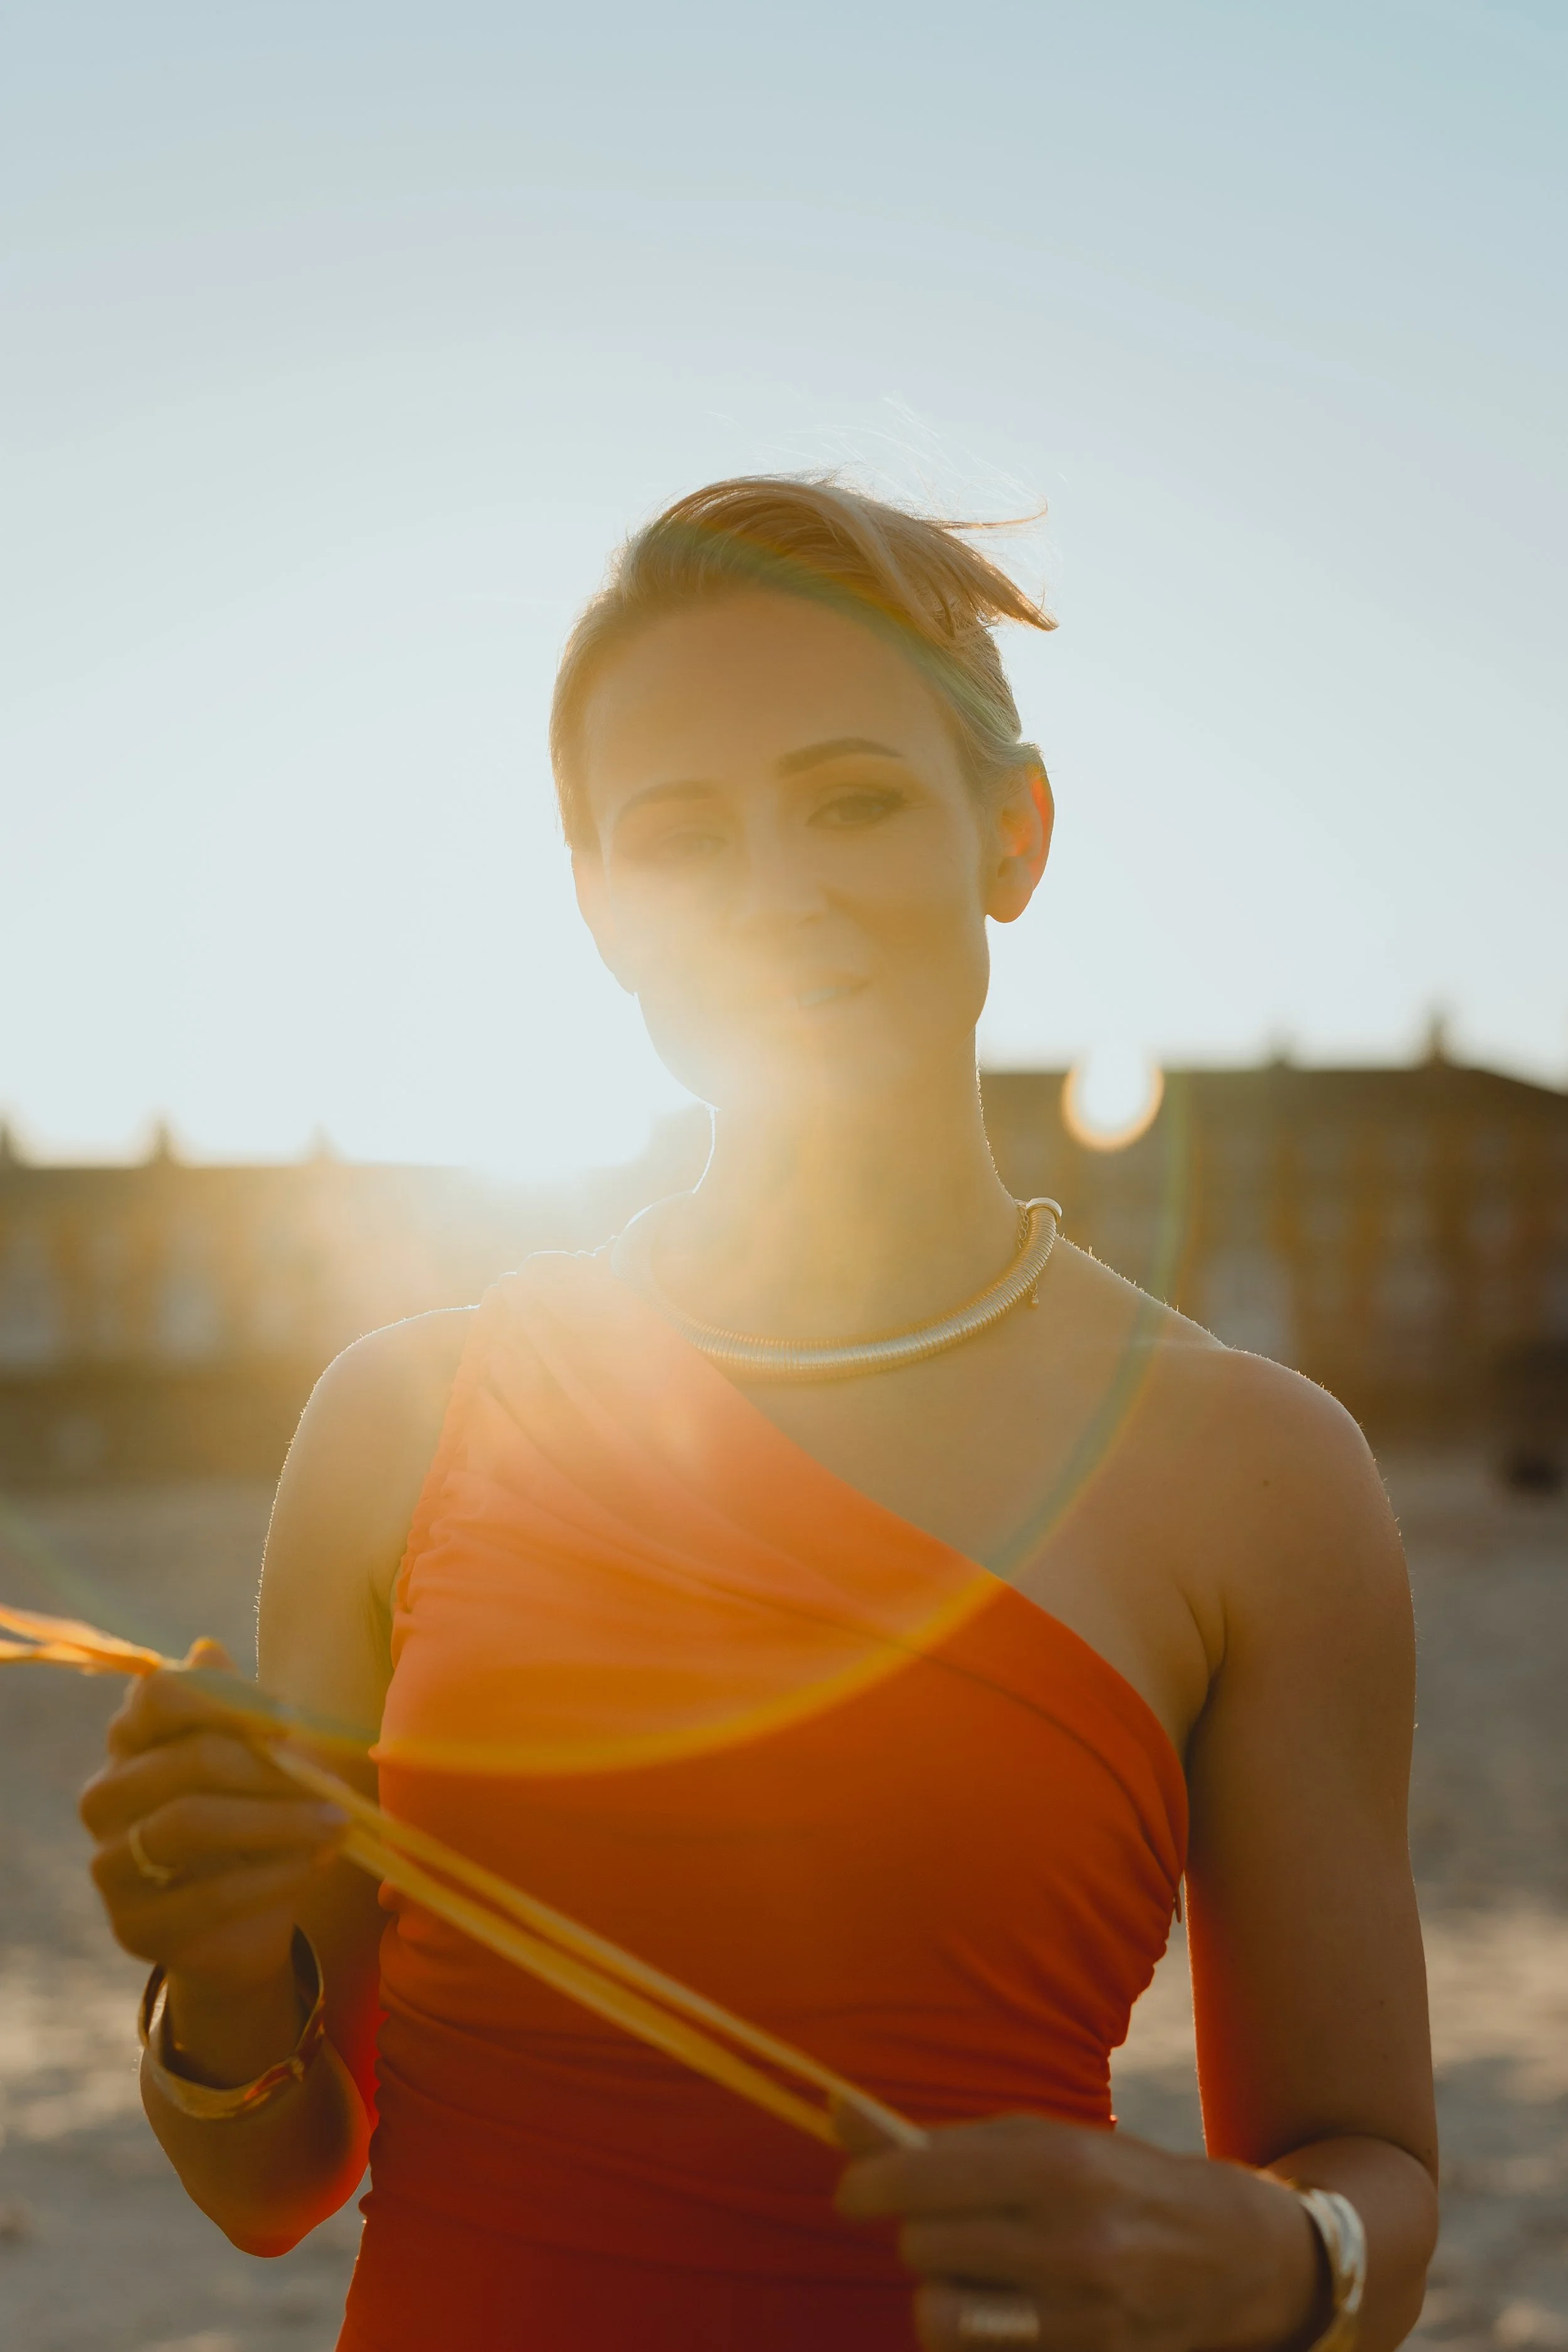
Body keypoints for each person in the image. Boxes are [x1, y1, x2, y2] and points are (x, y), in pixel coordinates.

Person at [79, 477, 1438, 2352]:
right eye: (681, 835)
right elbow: (272, 2179)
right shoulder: (402, 1416)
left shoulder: (1258, 1472)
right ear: (597, 906)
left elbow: (1361, 2162)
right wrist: (218, 1986)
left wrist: (1282, 2264)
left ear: (1012, 831)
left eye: (854, 799)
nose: (776, 892)